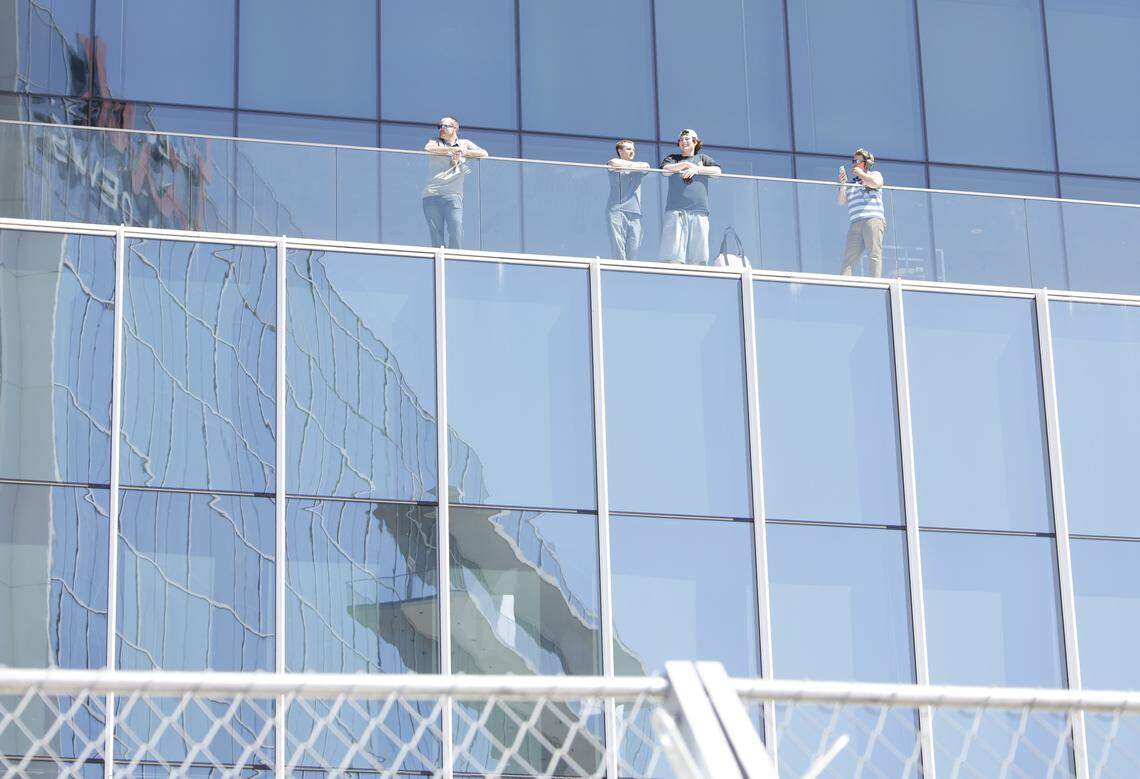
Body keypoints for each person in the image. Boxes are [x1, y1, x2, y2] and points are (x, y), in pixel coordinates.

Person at [422, 116, 487, 249]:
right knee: (436, 235)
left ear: (455, 128)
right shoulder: (435, 141)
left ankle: (455, 259)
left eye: (445, 126)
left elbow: (484, 154)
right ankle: (441, 262)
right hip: (432, 194)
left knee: (456, 227)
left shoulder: (464, 143)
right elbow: (428, 149)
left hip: (453, 194)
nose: (441, 129)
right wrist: (452, 151)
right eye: (439, 126)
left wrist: (464, 152)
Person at [660, 129, 721, 265]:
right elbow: (665, 171)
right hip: (676, 211)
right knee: (672, 256)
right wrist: (687, 164)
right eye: (681, 140)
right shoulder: (673, 158)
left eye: (687, 139)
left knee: (699, 257)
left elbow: (718, 172)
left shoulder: (703, 158)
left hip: (699, 211)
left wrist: (697, 169)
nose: (683, 142)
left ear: (695, 142)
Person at [837, 148, 886, 277]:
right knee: (849, 258)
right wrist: (842, 185)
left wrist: (861, 174)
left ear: (866, 163)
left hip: (872, 219)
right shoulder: (851, 184)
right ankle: (844, 286)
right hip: (855, 223)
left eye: (858, 161)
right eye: (853, 161)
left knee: (874, 254)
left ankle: (875, 285)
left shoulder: (874, 174)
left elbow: (876, 183)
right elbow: (841, 201)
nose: (854, 163)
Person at [606, 139, 651, 260]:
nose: (632, 152)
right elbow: (613, 164)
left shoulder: (640, 166)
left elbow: (646, 166)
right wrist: (636, 166)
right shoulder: (613, 162)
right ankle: (619, 271)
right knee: (618, 247)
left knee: (634, 247)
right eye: (628, 149)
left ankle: (628, 272)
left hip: (635, 213)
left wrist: (630, 166)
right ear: (620, 151)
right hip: (617, 210)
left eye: (633, 150)